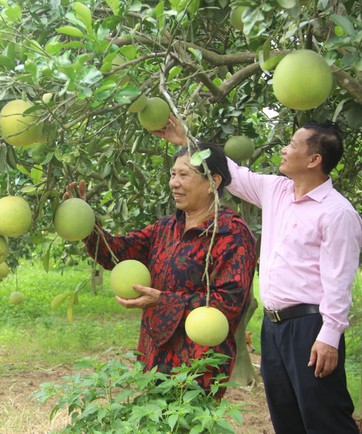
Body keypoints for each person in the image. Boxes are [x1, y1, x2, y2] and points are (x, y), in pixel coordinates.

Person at [155, 116, 362, 433]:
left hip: (310, 326)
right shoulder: (276, 190)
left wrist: (329, 337)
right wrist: (187, 141)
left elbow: (339, 279)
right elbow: (231, 173)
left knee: (324, 418)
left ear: (314, 159)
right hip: (273, 326)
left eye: (292, 144)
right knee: (286, 415)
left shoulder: (337, 212)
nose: (283, 149)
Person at [66, 143, 257, 399]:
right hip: (155, 350)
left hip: (199, 360)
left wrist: (163, 300)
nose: (174, 183)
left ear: (214, 181)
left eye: (184, 175)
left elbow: (230, 302)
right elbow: (118, 253)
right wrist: (84, 220)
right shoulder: (166, 228)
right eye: (172, 174)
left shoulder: (230, 233)